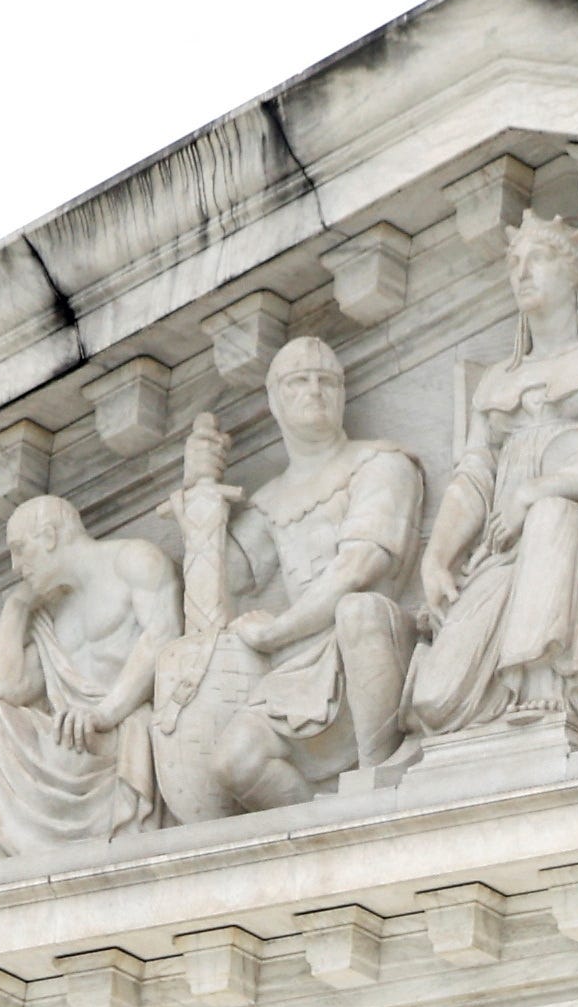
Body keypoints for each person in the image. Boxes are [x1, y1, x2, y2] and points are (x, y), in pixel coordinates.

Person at [408, 207, 578, 744]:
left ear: (576, 272)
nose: (522, 271)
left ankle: (544, 684)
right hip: (505, 549)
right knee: (435, 700)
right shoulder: (499, 381)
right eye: (514, 262)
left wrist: (541, 491)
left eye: (540, 257)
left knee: (553, 518)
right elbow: (474, 478)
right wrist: (436, 558)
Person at [160, 331, 425, 815]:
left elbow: (361, 565)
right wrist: (200, 489)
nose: (315, 391)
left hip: (370, 648)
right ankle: (326, 831)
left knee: (357, 610)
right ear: (274, 401)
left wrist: (278, 629)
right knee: (235, 760)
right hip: (299, 670)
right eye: (298, 382)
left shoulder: (382, 464)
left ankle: (379, 786)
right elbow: (217, 602)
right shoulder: (272, 501)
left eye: (327, 380)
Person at [0, 492, 180, 868]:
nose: (15, 566)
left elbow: (163, 636)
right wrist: (17, 607)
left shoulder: (133, 560)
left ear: (48, 536)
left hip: (116, 733)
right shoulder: (50, 609)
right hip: (68, 741)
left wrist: (105, 713)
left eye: (19, 549)